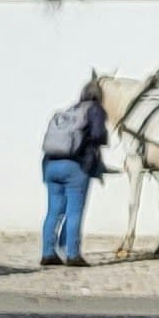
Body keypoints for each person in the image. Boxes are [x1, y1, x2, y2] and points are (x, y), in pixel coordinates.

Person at [40, 79, 109, 267]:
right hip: (75, 167)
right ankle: (72, 254)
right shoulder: (94, 109)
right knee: (74, 211)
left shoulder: (70, 110)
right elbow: (98, 135)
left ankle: (47, 252)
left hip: (51, 165)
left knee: (53, 211)